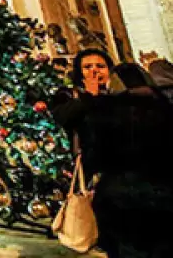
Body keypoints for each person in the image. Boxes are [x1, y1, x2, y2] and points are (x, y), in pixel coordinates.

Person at [59, 62, 173, 258]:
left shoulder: (107, 112)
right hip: (165, 190)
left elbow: (94, 155)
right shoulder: (164, 107)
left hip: (121, 195)